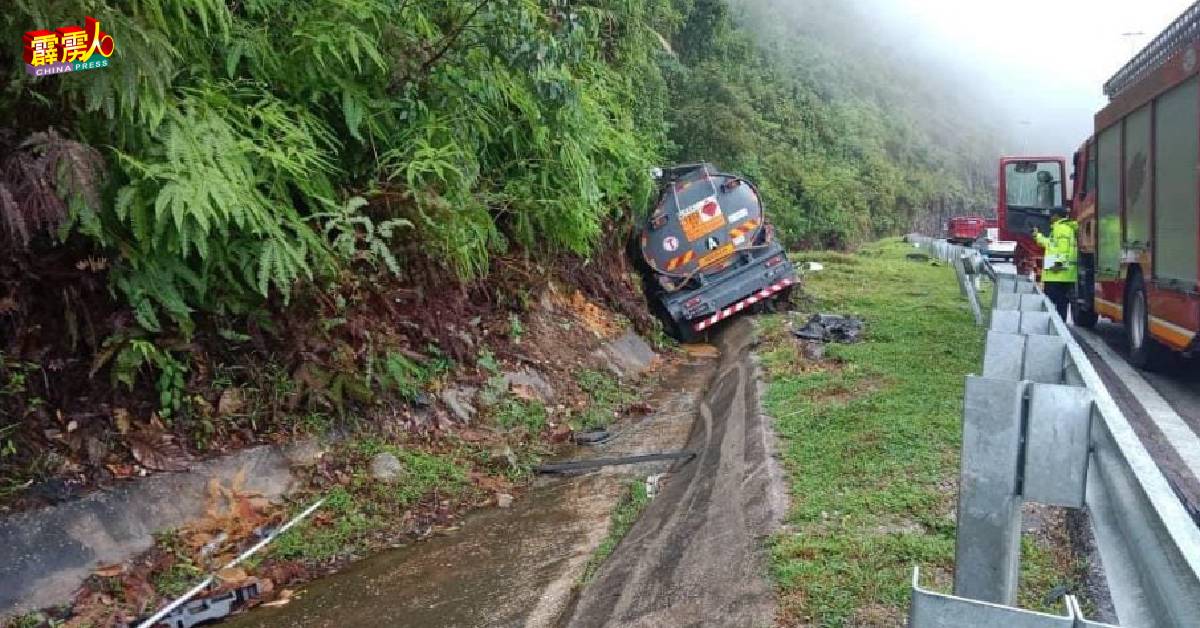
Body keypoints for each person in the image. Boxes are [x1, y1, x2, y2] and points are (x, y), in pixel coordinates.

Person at [1034, 207, 1078, 322]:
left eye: (1052, 215)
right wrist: (1039, 237)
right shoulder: (1065, 228)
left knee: (1053, 304)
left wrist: (1054, 268)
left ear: (1057, 216)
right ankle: (1060, 326)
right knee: (1062, 304)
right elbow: (1052, 245)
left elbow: (1062, 252)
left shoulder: (1061, 229)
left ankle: (1055, 327)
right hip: (1065, 275)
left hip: (1057, 274)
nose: (1050, 217)